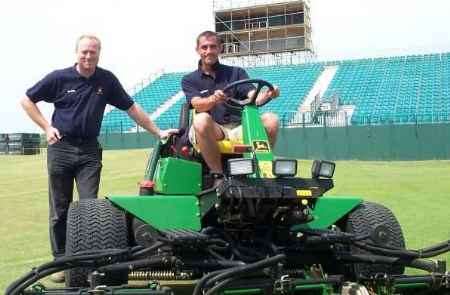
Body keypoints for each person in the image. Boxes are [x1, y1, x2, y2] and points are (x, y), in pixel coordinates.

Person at [20, 35, 177, 283]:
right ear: (76, 52)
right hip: (61, 148)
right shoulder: (59, 78)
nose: (88, 56)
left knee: (89, 207)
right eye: (84, 52)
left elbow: (132, 108)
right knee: (59, 210)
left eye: (92, 52)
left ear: (99, 53)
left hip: (90, 151)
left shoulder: (106, 80)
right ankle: (61, 261)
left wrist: (157, 132)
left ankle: (86, 261)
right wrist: (46, 128)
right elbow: (26, 100)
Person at [181, 31, 280, 182]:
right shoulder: (190, 79)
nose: (209, 51)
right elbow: (197, 105)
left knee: (271, 119)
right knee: (201, 120)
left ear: (220, 49)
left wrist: (268, 94)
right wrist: (214, 99)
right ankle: (218, 174)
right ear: (198, 50)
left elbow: (253, 96)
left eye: (213, 47)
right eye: (204, 47)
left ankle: (264, 170)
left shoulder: (236, 73)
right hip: (215, 129)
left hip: (239, 128)